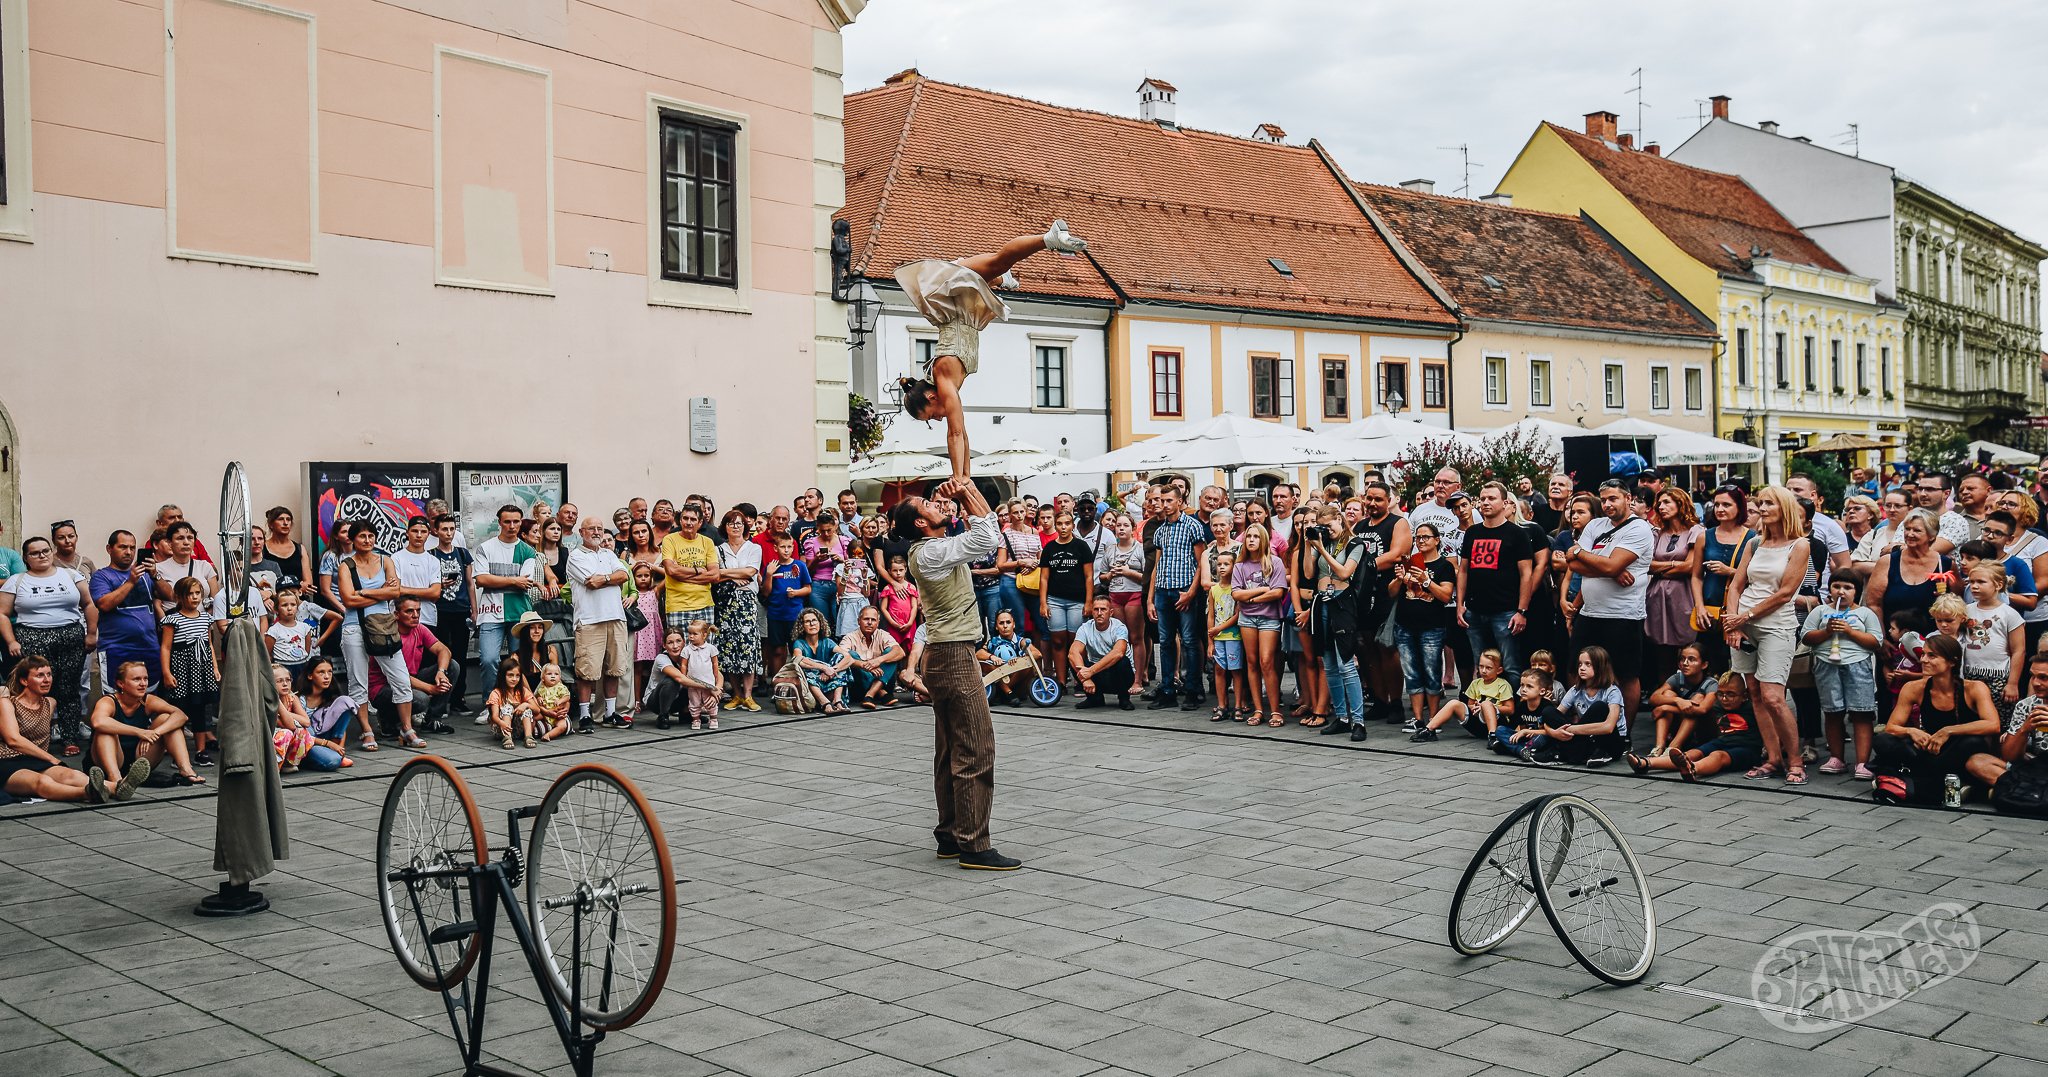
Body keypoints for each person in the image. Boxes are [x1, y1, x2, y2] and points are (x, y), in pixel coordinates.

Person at [895, 221, 1088, 481]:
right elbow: (961, 432)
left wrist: (957, 477)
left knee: (1000, 261)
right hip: (961, 300)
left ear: (930, 397)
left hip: (952, 290)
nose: (939, 419)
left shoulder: (943, 377)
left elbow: (953, 433)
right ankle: (999, 279)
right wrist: (964, 477)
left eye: (932, 417)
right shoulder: (946, 384)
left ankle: (1048, 238)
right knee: (996, 267)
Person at [891, 478, 1019, 870]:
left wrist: (966, 490)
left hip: (945, 653)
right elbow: (987, 537)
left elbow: (986, 529)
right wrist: (964, 492)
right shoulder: (929, 553)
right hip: (954, 655)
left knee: (950, 748)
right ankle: (974, 845)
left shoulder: (934, 549)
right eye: (928, 505)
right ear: (919, 523)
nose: (936, 504)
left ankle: (950, 835)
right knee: (976, 747)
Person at [1724, 485, 1811, 785]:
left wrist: (1743, 617)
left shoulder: (1799, 545)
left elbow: (1786, 593)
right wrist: (1733, 623)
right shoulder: (1754, 543)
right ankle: (1773, 758)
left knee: (1774, 696)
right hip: (1743, 623)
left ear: (1784, 507)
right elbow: (1736, 585)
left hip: (1775, 625)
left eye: (1769, 503)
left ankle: (1795, 760)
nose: (1761, 507)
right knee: (1756, 696)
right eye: (1760, 503)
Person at [1565, 480, 1655, 721]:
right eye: (1603, 500)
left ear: (1628, 499)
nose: (1607, 504)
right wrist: (1611, 570)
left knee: (1625, 674)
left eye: (1613, 499)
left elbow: (1596, 560)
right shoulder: (1595, 524)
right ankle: (1581, 722)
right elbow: (1572, 565)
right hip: (1590, 612)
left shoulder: (1639, 528)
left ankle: (1625, 731)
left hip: (1623, 614)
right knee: (1576, 668)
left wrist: (1580, 552)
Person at [1871, 633, 2001, 800]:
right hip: (1931, 748)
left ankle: (1910, 781)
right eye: (1923, 654)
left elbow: (1993, 724)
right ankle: (1942, 782)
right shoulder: (1914, 687)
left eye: (1932, 656)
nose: (1924, 660)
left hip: (1957, 749)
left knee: (1973, 742)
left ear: (1952, 662)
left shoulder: (1974, 688)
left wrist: (1948, 731)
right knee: (1883, 740)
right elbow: (1892, 727)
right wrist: (1911, 731)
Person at [0, 535, 97, 753]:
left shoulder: (71, 575)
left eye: (45, 550)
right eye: (35, 553)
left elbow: (89, 604)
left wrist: (91, 634)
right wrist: (11, 640)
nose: (41, 555)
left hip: (70, 637)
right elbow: (2, 614)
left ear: (52, 552)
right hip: (32, 637)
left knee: (68, 688)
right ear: (26, 558)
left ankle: (69, 737)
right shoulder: (17, 580)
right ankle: (28, 739)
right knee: (33, 688)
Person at [336, 520, 423, 750]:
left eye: (371, 536)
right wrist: (380, 592)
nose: (367, 540)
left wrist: (364, 591)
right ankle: (366, 730)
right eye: (362, 536)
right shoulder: (346, 565)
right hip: (355, 626)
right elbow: (348, 600)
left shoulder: (386, 560)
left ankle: (407, 728)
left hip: (384, 626)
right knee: (358, 682)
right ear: (353, 540)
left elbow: (395, 592)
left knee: (401, 678)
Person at [1801, 577, 1882, 777]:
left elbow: (1875, 641)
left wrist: (1850, 631)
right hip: (1827, 666)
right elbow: (1806, 636)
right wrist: (1827, 631)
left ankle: (1862, 762)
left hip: (1858, 666)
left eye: (1848, 587)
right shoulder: (1820, 611)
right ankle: (1837, 758)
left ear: (1857, 591)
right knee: (1832, 711)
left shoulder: (1864, 613)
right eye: (1836, 586)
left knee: (1861, 713)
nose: (1841, 591)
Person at [1456, 481, 1535, 682]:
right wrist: (1459, 605)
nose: (1485, 502)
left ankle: (1514, 710)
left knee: (1511, 666)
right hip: (1474, 610)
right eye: (1482, 499)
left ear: (1504, 502)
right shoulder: (1472, 533)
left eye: (1491, 498)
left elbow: (1527, 574)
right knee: (1480, 665)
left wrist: (1522, 611)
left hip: (1506, 611)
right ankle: (1483, 708)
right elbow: (1463, 570)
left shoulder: (1517, 533)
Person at [1, 657, 106, 803]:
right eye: (40, 675)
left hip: (36, 760)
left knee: (71, 775)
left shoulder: (50, 703)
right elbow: (13, 740)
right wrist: (50, 758)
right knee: (41, 782)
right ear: (24, 681)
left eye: (49, 674)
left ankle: (117, 787)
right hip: (7, 761)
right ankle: (87, 793)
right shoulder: (7, 703)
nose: (46, 680)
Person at [89, 660, 202, 790]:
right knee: (106, 730)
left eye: (145, 679)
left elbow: (181, 716)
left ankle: (186, 770)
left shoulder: (148, 700)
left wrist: (155, 732)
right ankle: (116, 781)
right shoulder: (109, 701)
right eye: (136, 679)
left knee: (167, 719)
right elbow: (98, 721)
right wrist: (140, 732)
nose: (143, 684)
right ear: (121, 684)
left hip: (138, 759)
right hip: (108, 758)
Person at [567, 517, 632, 732]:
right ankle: (585, 715)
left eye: (600, 528)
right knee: (587, 670)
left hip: (615, 617)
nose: (596, 532)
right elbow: (591, 583)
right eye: (591, 529)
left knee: (614, 667)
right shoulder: (576, 556)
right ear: (581, 532)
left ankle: (610, 713)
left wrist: (604, 578)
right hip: (589, 620)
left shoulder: (609, 554)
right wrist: (610, 577)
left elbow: (623, 575)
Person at [1627, 676, 1759, 781]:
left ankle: (1694, 768)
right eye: (1721, 694)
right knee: (1691, 753)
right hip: (1722, 742)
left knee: (1717, 756)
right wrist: (1667, 707)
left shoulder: (1753, 708)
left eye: (1731, 694)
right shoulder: (1718, 706)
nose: (1724, 699)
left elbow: (1701, 709)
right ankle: (1646, 763)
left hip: (1746, 747)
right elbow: (1694, 710)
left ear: (1744, 696)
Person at [1393, 522, 1457, 736]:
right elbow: (1391, 592)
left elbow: (1446, 596)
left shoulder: (1444, 566)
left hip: (1432, 626)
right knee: (1411, 673)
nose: (1421, 541)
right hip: (1405, 625)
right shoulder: (1410, 562)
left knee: (1431, 672)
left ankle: (1433, 719)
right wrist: (1400, 580)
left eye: (1426, 537)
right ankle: (1418, 719)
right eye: (1418, 537)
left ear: (1437, 540)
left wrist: (1426, 581)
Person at [474, 505, 541, 705]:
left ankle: (518, 702)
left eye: (516, 521)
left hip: (519, 613)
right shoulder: (486, 547)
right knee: (488, 659)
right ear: (499, 523)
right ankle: (490, 703)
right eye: (507, 522)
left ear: (521, 523)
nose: (512, 526)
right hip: (490, 611)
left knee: (519, 661)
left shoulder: (528, 550)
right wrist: (513, 580)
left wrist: (496, 580)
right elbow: (481, 580)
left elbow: (525, 583)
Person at [1149, 486, 1209, 712]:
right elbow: (1157, 565)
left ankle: (1193, 689)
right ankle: (1167, 690)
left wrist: (1192, 592)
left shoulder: (1192, 526)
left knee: (1189, 641)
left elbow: (1200, 562)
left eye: (1168, 501)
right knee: (1165, 642)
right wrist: (1150, 598)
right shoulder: (1160, 531)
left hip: (1184, 589)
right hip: (1163, 590)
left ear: (1180, 501)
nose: (1164, 505)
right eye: (1162, 500)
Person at [366, 597, 459, 737]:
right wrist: (430, 689)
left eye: (418, 611)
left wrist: (441, 672)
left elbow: (444, 650)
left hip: (410, 679)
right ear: (396, 614)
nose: (415, 615)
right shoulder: (387, 633)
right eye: (409, 611)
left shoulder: (419, 629)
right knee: (421, 699)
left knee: (452, 666)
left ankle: (432, 720)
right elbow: (398, 675)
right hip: (383, 687)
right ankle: (388, 719)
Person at [1520, 646, 1627, 767]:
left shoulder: (1612, 691)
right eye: (1580, 664)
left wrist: (1569, 730)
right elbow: (1550, 719)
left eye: (1588, 664)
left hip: (1610, 742)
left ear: (1600, 667)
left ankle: (1561, 753)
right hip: (1585, 738)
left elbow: (1608, 727)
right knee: (1548, 711)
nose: (1582, 668)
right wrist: (1554, 733)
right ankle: (1574, 753)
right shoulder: (1575, 690)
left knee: (1600, 707)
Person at [1643, 489, 1704, 690]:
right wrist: (1672, 566)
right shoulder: (1656, 533)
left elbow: (1690, 566)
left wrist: (1663, 567)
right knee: (1662, 653)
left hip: (1683, 595)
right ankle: (1665, 699)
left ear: (1680, 503)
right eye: (1659, 503)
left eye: (1667, 502)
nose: (1661, 507)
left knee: (1687, 648)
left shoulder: (1695, 531)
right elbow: (1647, 565)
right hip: (1657, 597)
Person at [1229, 524, 1287, 728]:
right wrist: (1262, 591)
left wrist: (1251, 597)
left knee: (1266, 661)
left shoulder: (1275, 562)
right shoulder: (1240, 565)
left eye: (1255, 536)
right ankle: (1258, 709)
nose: (1251, 540)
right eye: (1248, 537)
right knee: (1251, 662)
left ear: (1263, 540)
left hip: (1269, 618)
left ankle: (1276, 710)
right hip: (1247, 618)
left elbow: (1278, 592)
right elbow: (1236, 593)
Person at [158, 577, 220, 766]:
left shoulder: (206, 618)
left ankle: (201, 751)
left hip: (202, 670)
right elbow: (166, 648)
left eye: (197, 593)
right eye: (189, 594)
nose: (194, 597)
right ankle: (179, 751)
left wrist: (215, 667)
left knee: (201, 709)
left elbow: (208, 644)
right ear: (179, 597)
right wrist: (167, 672)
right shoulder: (172, 620)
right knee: (180, 709)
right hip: (182, 669)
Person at [713, 509, 764, 712]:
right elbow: (713, 574)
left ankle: (749, 695)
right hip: (726, 602)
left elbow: (751, 571)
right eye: (731, 523)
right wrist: (733, 577)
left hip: (747, 600)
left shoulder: (754, 548)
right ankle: (736, 694)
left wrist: (724, 573)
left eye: (739, 523)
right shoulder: (718, 549)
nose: (736, 526)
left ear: (746, 526)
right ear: (725, 527)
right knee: (728, 646)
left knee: (748, 645)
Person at [1038, 511, 1094, 692]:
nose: (1063, 527)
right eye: (1060, 524)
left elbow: (1089, 576)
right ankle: (1061, 682)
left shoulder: (1081, 546)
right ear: (1056, 524)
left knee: (1076, 641)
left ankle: (1080, 679)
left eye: (1067, 523)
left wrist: (1088, 601)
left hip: (1077, 601)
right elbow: (1044, 578)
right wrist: (1043, 602)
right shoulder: (1049, 549)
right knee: (1058, 641)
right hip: (1054, 600)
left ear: (1073, 525)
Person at [1094, 512, 1148, 691]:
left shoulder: (1139, 548)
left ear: (1133, 529)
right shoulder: (1110, 550)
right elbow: (1102, 576)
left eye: (1125, 525)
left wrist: (1128, 572)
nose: (1121, 529)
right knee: (1120, 638)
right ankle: (1121, 677)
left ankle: (1138, 679)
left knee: (1136, 637)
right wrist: (1109, 575)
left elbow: (1147, 578)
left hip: (1134, 593)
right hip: (1115, 595)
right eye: (1118, 525)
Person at [1410, 649, 1513, 742]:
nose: (1484, 671)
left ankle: (1493, 736)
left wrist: (1489, 707)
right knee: (1453, 703)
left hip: (1497, 724)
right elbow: (1470, 705)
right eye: (1481, 666)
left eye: (1488, 668)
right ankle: (1429, 730)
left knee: (1486, 704)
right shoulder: (1475, 683)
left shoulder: (1502, 685)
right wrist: (1475, 708)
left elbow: (1510, 709)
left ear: (1499, 670)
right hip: (1477, 723)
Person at [1645, 642, 1717, 758]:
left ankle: (1673, 747)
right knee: (1668, 694)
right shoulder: (1677, 678)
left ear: (1704, 665)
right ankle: (1659, 747)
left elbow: (1702, 709)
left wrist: (1666, 707)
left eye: (1691, 659)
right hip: (1679, 726)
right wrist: (1677, 700)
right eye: (1682, 659)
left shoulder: (1711, 684)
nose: (1685, 663)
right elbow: (1653, 698)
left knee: (1698, 699)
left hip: (1702, 730)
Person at [1071, 595, 1136, 710]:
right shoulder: (1085, 628)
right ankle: (1094, 698)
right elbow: (1073, 652)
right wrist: (1086, 678)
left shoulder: (1119, 627)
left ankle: (1124, 698)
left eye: (1103, 609)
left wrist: (1090, 671)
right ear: (1092, 612)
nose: (1099, 613)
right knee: (1074, 660)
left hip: (1119, 675)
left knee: (1122, 661)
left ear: (1111, 613)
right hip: (1097, 675)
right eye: (1096, 609)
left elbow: (1118, 652)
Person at [763, 535, 814, 675]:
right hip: (775, 615)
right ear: (775, 548)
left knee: (796, 649)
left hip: (795, 615)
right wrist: (768, 574)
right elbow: (766, 592)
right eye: (782, 547)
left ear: (793, 547)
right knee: (777, 651)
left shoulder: (800, 565)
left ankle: (798, 682)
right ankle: (777, 684)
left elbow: (808, 588)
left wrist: (796, 593)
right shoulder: (771, 566)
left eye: (789, 547)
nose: (786, 550)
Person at [1206, 548, 1245, 722]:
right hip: (1218, 637)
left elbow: (1237, 615)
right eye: (1219, 564)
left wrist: (1218, 628)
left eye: (1226, 564)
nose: (1222, 567)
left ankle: (1238, 704)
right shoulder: (1214, 590)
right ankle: (1222, 705)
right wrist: (1210, 641)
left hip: (1233, 636)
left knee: (1236, 670)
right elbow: (1211, 615)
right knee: (1219, 670)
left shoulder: (1237, 589)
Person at [791, 607, 853, 714]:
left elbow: (849, 658)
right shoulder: (799, 643)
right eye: (807, 621)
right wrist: (824, 668)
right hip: (812, 689)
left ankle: (837, 700)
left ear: (820, 623)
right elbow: (798, 660)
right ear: (802, 626)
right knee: (805, 664)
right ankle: (824, 703)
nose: (812, 624)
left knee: (841, 657)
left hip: (830, 683)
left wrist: (831, 670)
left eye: (814, 620)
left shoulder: (827, 641)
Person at [842, 605, 905, 709]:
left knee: (892, 652)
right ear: (858, 621)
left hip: (885, 682)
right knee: (851, 655)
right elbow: (841, 656)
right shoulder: (849, 637)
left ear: (878, 622)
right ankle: (880, 692)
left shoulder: (882, 634)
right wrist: (864, 665)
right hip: (859, 686)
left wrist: (878, 661)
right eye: (866, 619)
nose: (870, 622)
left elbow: (900, 652)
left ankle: (871, 694)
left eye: (873, 620)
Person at [976, 610, 1039, 704]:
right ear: (997, 627)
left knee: (1027, 663)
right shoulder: (993, 641)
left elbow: (1037, 654)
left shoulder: (1020, 641)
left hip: (1018, 684)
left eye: (1008, 622)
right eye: (1001, 623)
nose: (1005, 626)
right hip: (1000, 680)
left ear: (1013, 624)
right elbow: (978, 654)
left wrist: (1019, 659)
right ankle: (1008, 692)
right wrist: (992, 657)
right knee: (986, 664)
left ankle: (1005, 692)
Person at [255, 507, 311, 592]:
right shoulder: (262, 548)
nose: (285, 523)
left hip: (297, 599)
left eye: (288, 519)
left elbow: (308, 582)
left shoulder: (300, 549)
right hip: (271, 598)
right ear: (271, 524)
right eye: (281, 519)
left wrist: (300, 587)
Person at [484, 663, 538, 750]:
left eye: (517, 676)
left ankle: (529, 737)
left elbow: (537, 709)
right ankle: (507, 738)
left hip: (518, 729)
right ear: (502, 676)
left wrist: (525, 704)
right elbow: (494, 716)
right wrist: (502, 724)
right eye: (510, 675)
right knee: (507, 707)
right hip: (501, 728)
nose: (514, 679)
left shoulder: (522, 691)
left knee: (527, 709)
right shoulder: (496, 693)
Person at [531, 663, 572, 743]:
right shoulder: (542, 688)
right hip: (544, 713)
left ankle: (548, 735)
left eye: (556, 674)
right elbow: (537, 697)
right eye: (549, 674)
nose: (553, 676)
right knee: (533, 717)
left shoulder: (560, 687)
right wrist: (539, 698)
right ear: (543, 678)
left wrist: (560, 701)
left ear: (560, 677)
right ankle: (529, 733)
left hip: (557, 713)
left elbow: (567, 697)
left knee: (562, 726)